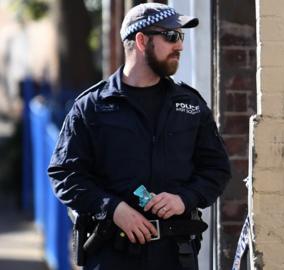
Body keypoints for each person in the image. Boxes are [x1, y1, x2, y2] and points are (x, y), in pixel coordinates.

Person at [48, 3, 231, 270]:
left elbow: (217, 169)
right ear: (141, 40)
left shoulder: (190, 105)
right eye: (171, 36)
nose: (179, 45)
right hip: (112, 255)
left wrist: (184, 199)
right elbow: (64, 174)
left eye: (181, 37)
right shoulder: (92, 106)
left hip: (175, 255)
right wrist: (112, 208)